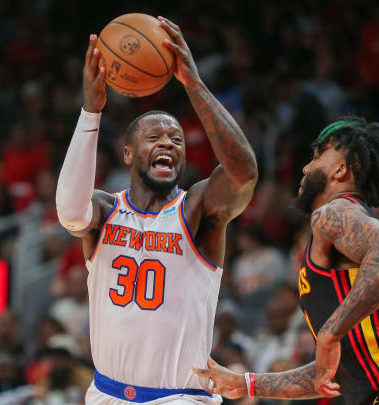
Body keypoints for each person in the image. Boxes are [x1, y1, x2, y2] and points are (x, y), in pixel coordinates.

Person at [55, 17, 257, 405]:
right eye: (154, 137)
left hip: (178, 398)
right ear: (128, 154)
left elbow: (244, 172)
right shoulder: (104, 209)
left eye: (176, 139)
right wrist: (90, 112)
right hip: (106, 394)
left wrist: (193, 85)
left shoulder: (198, 208)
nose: (168, 143)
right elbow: (68, 213)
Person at [194, 117, 379, 404]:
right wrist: (246, 383)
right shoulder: (335, 236)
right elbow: (332, 373)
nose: (306, 167)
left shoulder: (335, 211)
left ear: (341, 169)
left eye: (318, 155)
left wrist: (330, 332)